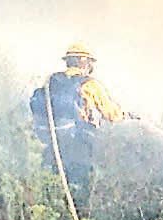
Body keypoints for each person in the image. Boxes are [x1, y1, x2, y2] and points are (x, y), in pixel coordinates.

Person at [28, 44, 126, 209]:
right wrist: (126, 116)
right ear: (83, 61)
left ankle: (52, 211)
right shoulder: (89, 85)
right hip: (77, 144)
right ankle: (75, 219)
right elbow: (111, 114)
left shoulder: (51, 81)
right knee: (79, 186)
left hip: (50, 143)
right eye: (90, 62)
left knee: (51, 186)